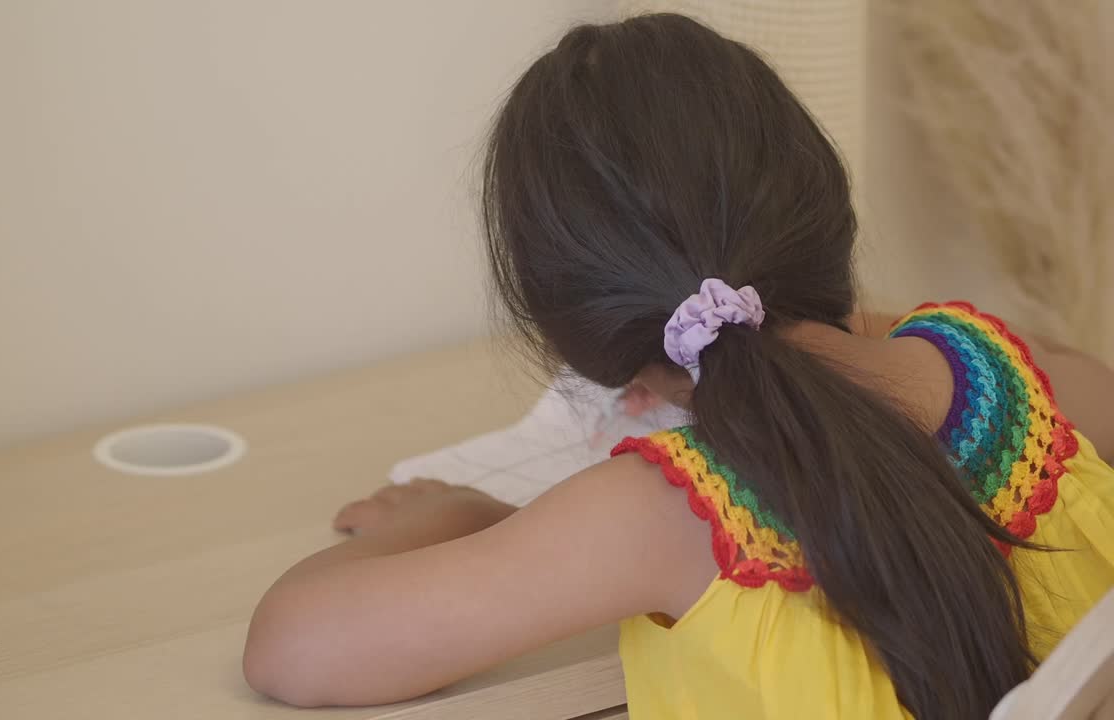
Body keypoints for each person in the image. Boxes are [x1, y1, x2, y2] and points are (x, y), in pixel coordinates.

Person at [242, 14, 1114, 719]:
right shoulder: (1016, 377)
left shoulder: (660, 513)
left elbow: (291, 648)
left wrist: (467, 512)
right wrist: (855, 332)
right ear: (829, 221)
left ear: (584, 339)